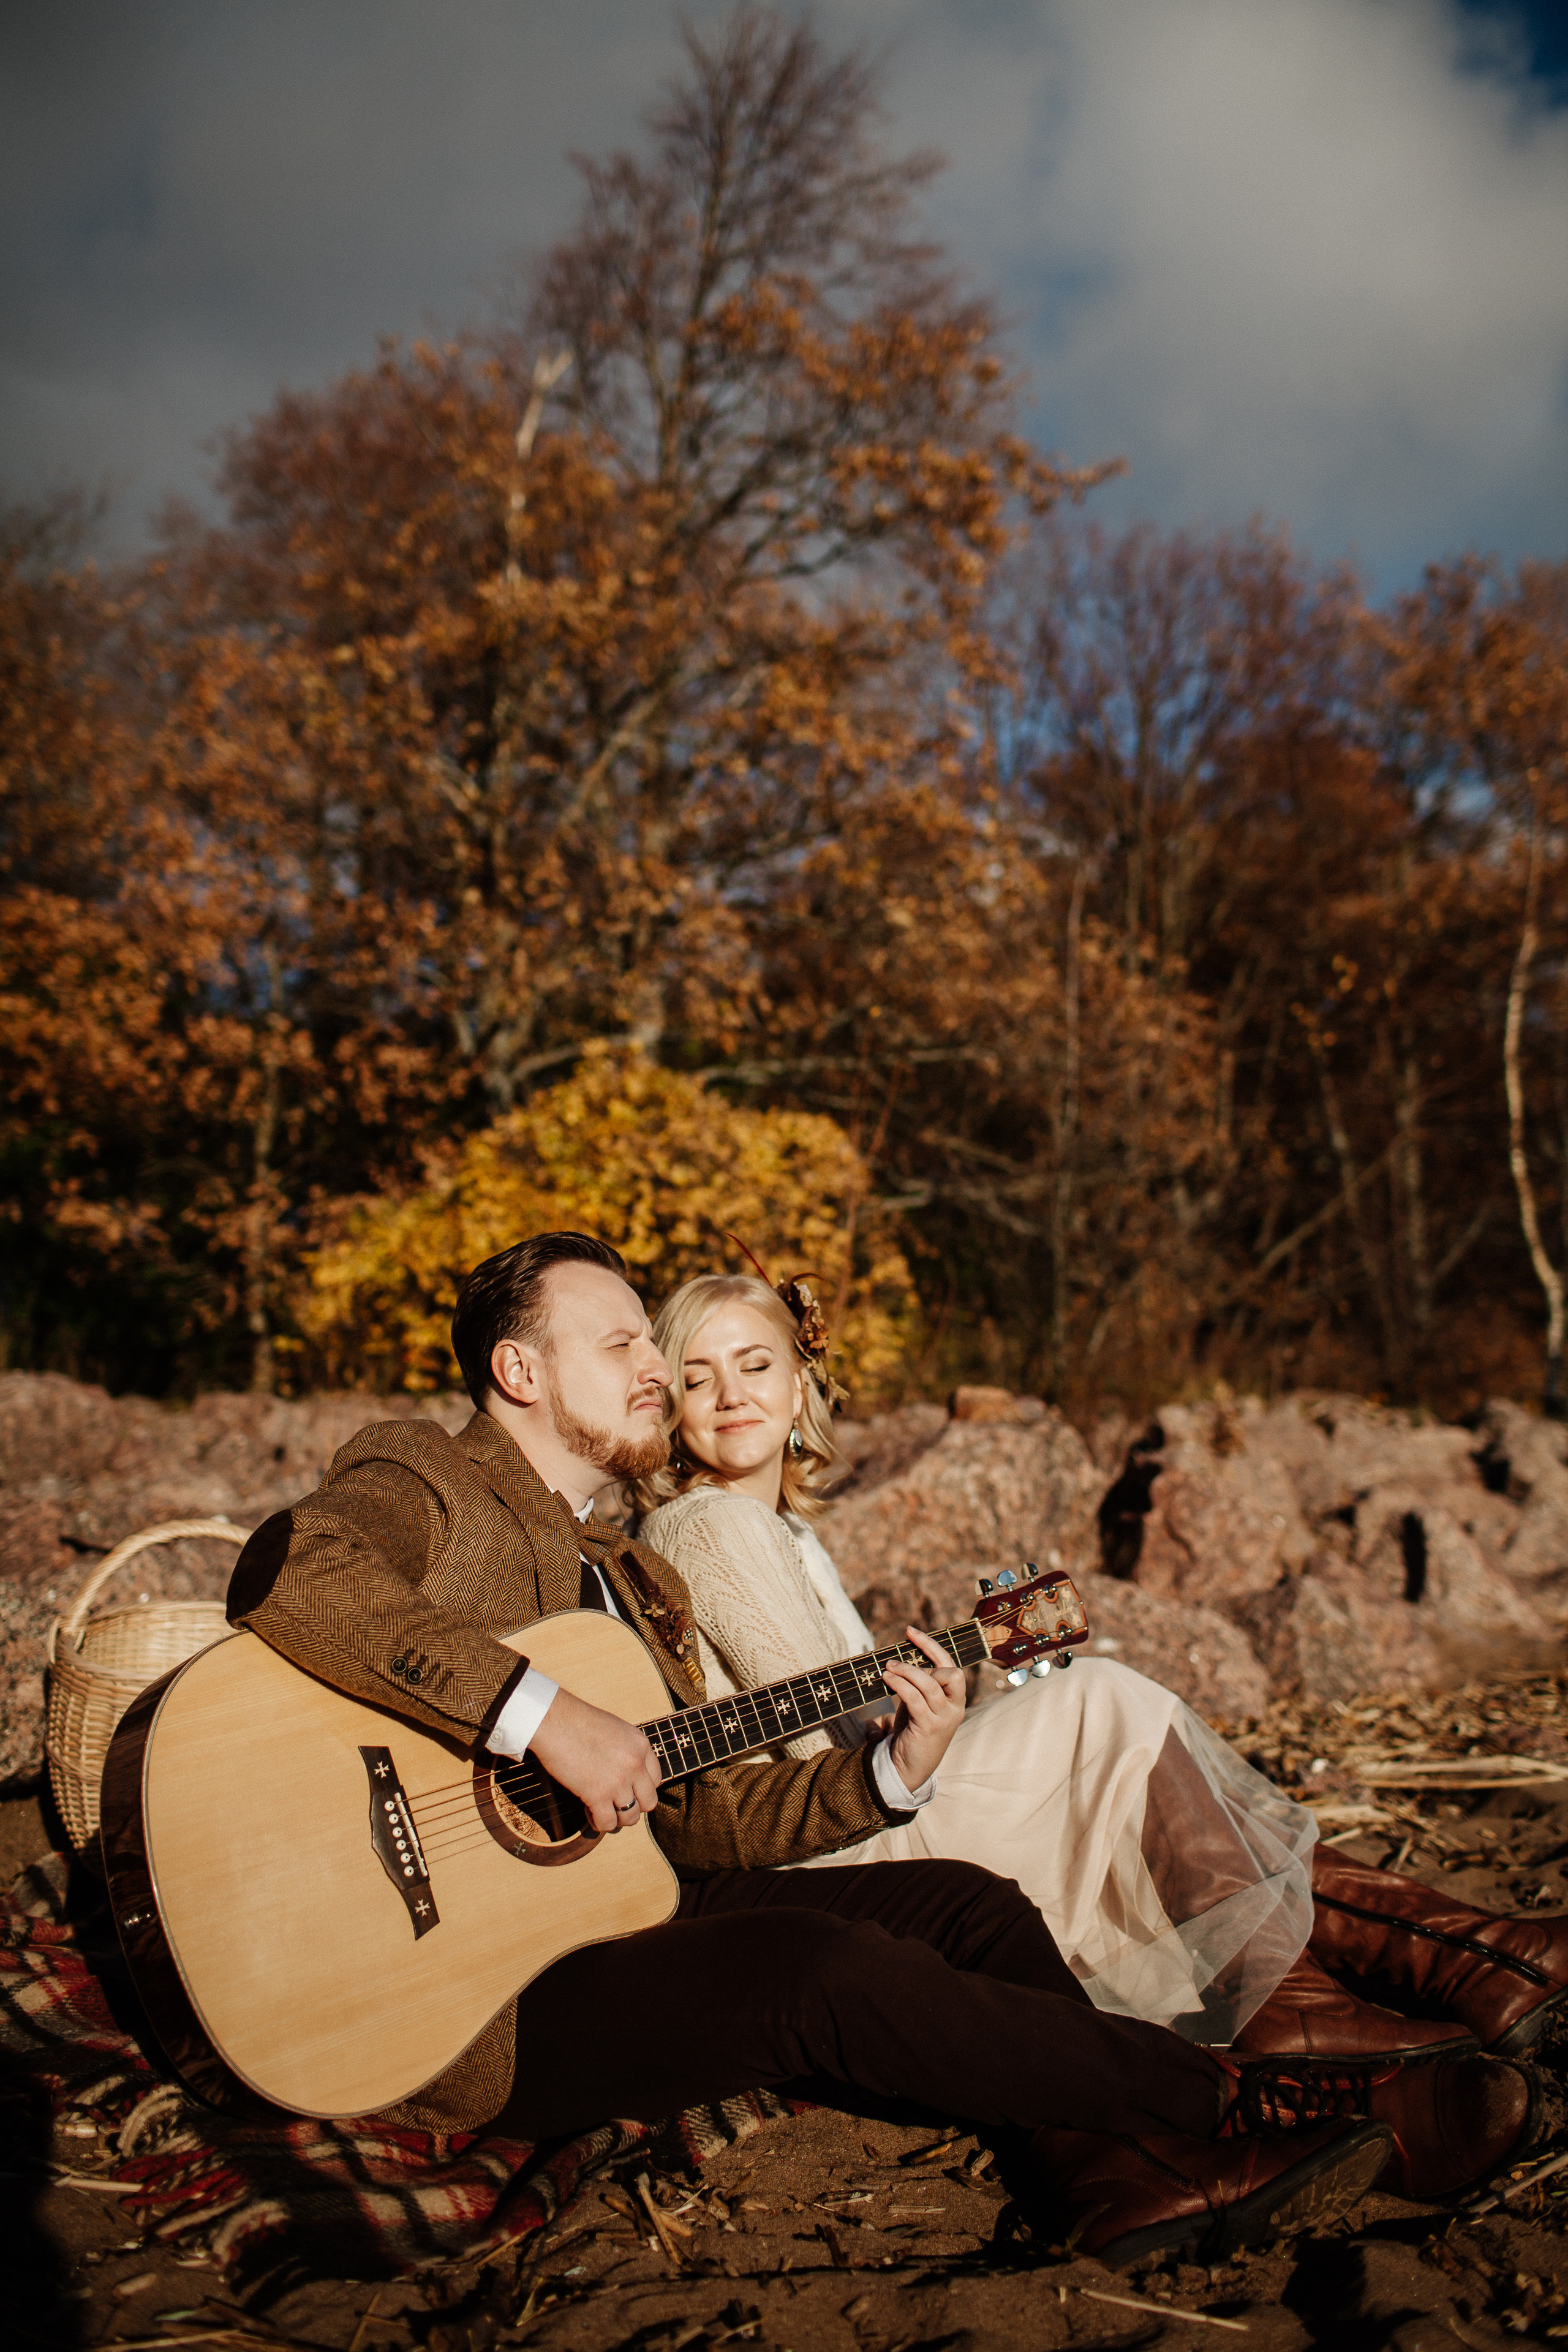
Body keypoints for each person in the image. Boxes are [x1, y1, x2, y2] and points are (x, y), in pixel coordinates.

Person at [227, 1234, 1538, 2261]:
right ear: (518, 1370)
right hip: (460, 1994)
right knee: (819, 1967)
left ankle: (1117, 2177)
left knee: (963, 1901)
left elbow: (691, 1816)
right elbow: (303, 1575)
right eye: (624, 1338)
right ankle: (1236, 2106)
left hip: (614, 1907)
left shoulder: (625, 1576)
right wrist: (538, 1716)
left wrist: (888, 1776)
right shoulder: (427, 1479)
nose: (653, 1366)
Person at [637, 1268, 1568, 2085]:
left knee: (1128, 1755)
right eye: (697, 1376)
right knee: (1103, 1703)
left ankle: (1436, 1970)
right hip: (828, 1841)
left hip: (867, 1798)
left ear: (801, 1385)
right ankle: (1401, 1976)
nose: (730, 1395)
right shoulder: (708, 1526)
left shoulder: (785, 1531)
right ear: (667, 1405)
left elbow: (853, 1713)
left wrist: (951, 1707)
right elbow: (821, 1742)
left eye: (755, 1366)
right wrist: (930, 1725)